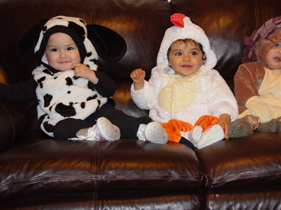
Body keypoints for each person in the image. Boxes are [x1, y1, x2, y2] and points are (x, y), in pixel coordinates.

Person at [0, 15, 166, 143]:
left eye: (70, 48)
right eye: (54, 49)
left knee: (117, 117)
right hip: (64, 119)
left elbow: (109, 89)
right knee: (61, 130)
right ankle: (93, 134)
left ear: (82, 50)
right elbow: (16, 92)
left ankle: (144, 130)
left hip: (97, 111)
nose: (63, 54)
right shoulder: (40, 78)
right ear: (44, 53)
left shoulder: (87, 70)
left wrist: (91, 76)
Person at [130, 13, 238, 149]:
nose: (186, 58)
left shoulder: (209, 77)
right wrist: (139, 84)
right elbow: (146, 101)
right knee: (152, 128)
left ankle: (203, 136)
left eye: (193, 53)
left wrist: (224, 118)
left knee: (212, 123)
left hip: (200, 126)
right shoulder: (160, 78)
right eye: (178, 54)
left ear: (203, 57)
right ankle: (188, 138)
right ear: (168, 60)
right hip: (169, 128)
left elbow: (223, 99)